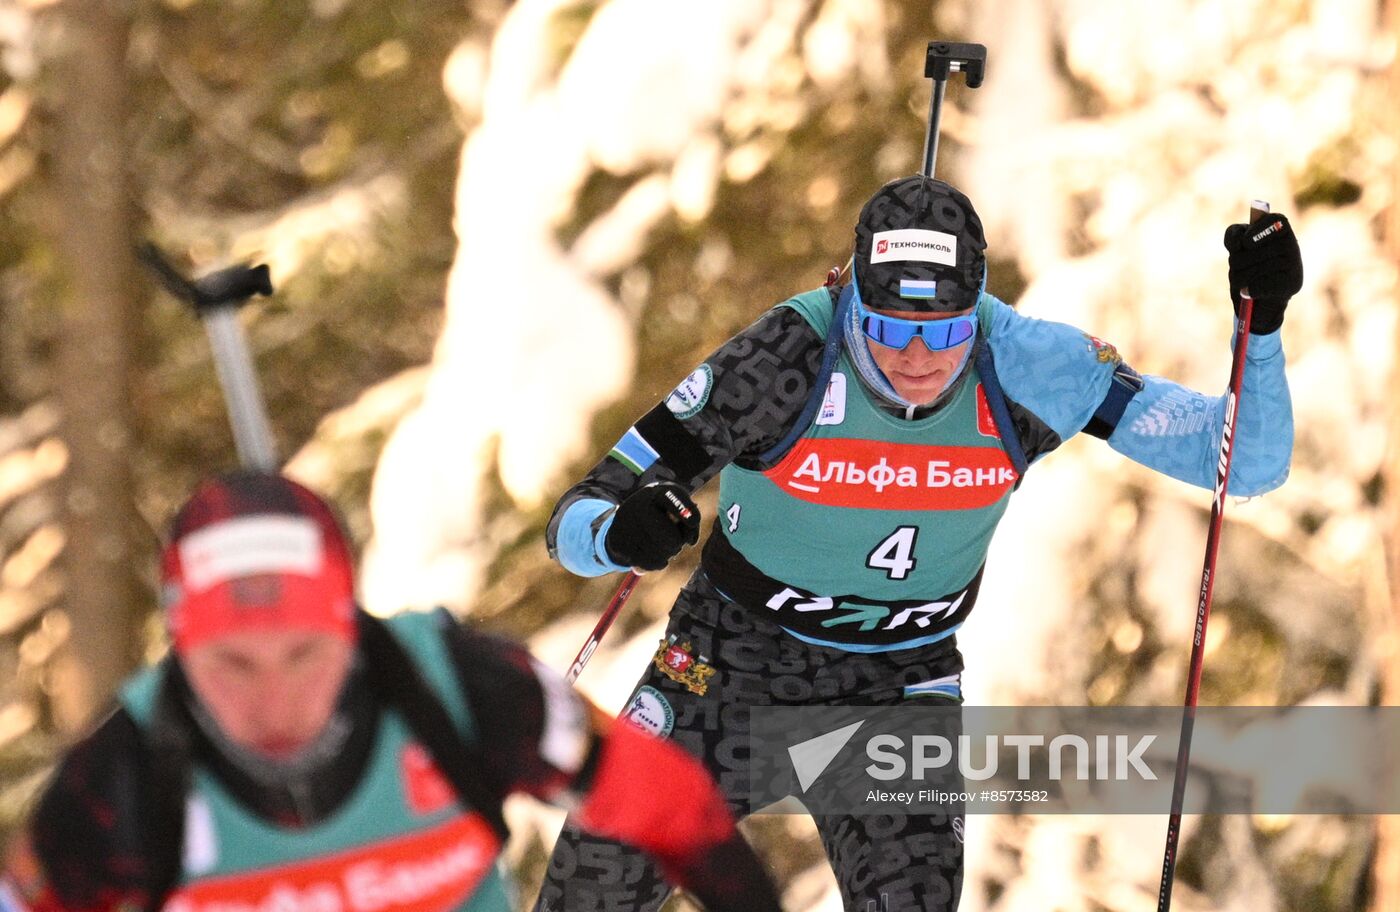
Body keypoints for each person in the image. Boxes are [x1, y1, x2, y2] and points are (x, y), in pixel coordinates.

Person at [534, 175, 1300, 910]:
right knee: (589, 891)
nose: (918, 357)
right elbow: (575, 519)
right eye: (891, 328)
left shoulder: (1032, 365)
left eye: (946, 332)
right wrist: (619, 532)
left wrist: (1258, 328)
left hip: (897, 687)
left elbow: (1240, 460)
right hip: (724, 670)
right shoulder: (784, 361)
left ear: (979, 312)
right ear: (853, 299)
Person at [0, 472, 783, 912]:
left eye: (305, 654)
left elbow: (665, 802)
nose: (275, 700)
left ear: (349, 624)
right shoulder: (117, 783)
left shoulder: (463, 692)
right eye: (231, 665)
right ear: (177, 648)